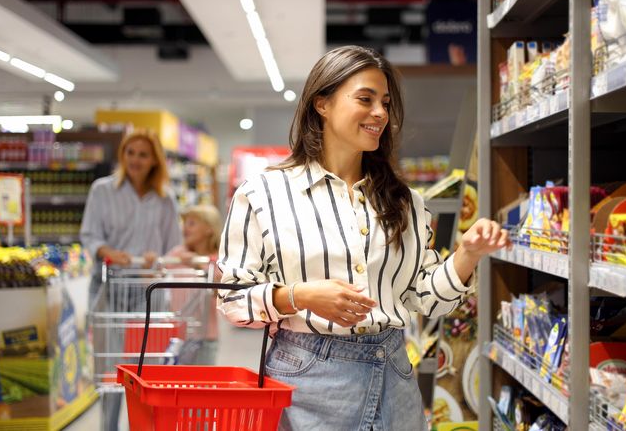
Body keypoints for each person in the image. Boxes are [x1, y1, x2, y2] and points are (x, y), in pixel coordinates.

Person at [217, 45, 509, 431]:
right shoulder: (263, 194)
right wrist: (300, 296)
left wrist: (467, 255)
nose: (380, 114)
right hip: (308, 376)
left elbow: (425, 298)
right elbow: (232, 296)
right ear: (322, 103)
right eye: (365, 99)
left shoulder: (403, 201)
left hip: (393, 370)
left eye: (385, 103)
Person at [80, 128, 182, 431]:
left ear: (155, 160)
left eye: (143, 154)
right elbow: (89, 234)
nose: (135, 159)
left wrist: (158, 260)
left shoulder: (165, 199)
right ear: (122, 155)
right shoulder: (102, 190)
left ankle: (142, 425)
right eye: (130, 152)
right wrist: (107, 250)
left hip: (147, 292)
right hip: (110, 288)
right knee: (112, 370)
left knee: (144, 371)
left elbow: (173, 247)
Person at [166, 204, 223, 364]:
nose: (185, 228)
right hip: (176, 334)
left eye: (192, 223)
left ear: (209, 229)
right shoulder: (178, 254)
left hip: (207, 335)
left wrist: (198, 265)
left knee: (203, 381)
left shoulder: (217, 259)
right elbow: (158, 272)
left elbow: (221, 290)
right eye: (184, 223)